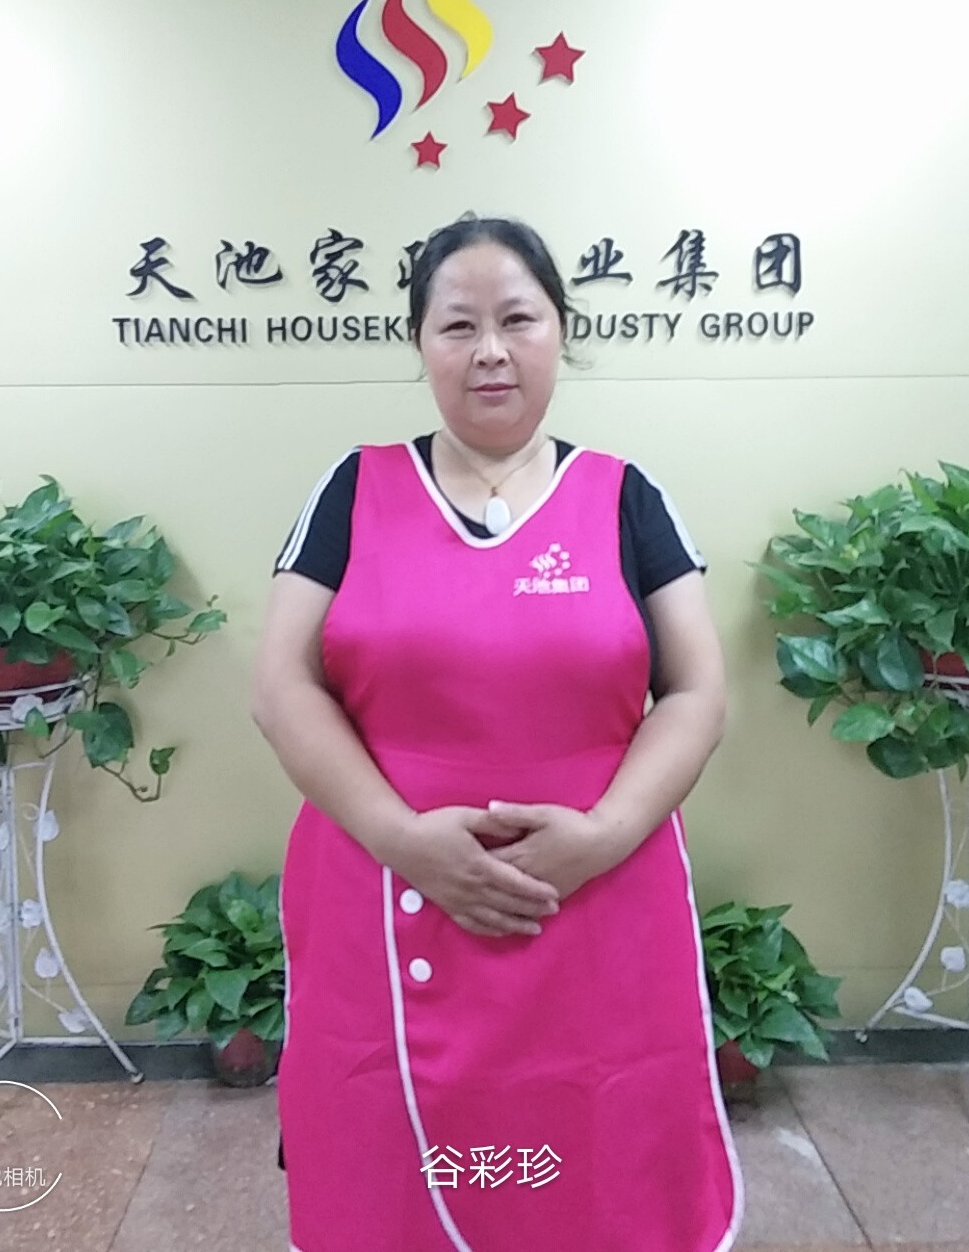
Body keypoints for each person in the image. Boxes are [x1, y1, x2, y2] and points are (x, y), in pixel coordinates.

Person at [252, 215, 743, 1252]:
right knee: (387, 1173)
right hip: (384, 889)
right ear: (420, 343)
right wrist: (401, 837)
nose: (490, 351)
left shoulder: (626, 497)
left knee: (593, 1157)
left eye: (518, 320)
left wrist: (604, 834)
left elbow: (696, 691)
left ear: (560, 330)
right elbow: (282, 687)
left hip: (593, 897)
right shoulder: (353, 489)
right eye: (457, 325)